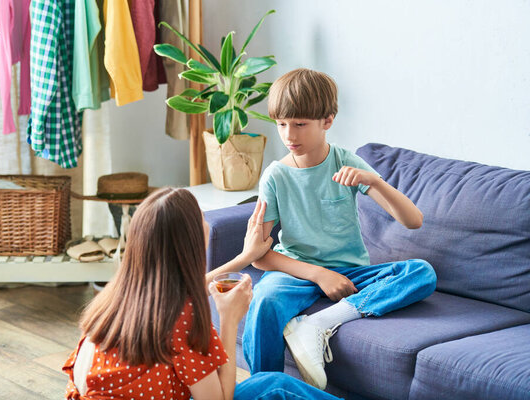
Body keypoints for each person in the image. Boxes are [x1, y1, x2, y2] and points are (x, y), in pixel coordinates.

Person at [235, 68, 437, 390]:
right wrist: (318, 274)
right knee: (265, 301)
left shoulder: (346, 161)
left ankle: (318, 324)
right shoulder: (276, 176)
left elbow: (414, 220)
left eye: (300, 124)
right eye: (281, 124)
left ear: (327, 121)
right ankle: (266, 389)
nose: (289, 135)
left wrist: (373, 180)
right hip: (296, 272)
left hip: (350, 271)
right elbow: (260, 257)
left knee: (421, 273)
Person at [62, 187, 343, 400]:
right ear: (190, 242)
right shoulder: (181, 319)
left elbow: (184, 290)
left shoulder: (119, 296)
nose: (208, 223)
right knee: (274, 387)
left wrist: (243, 258)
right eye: (201, 218)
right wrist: (228, 318)